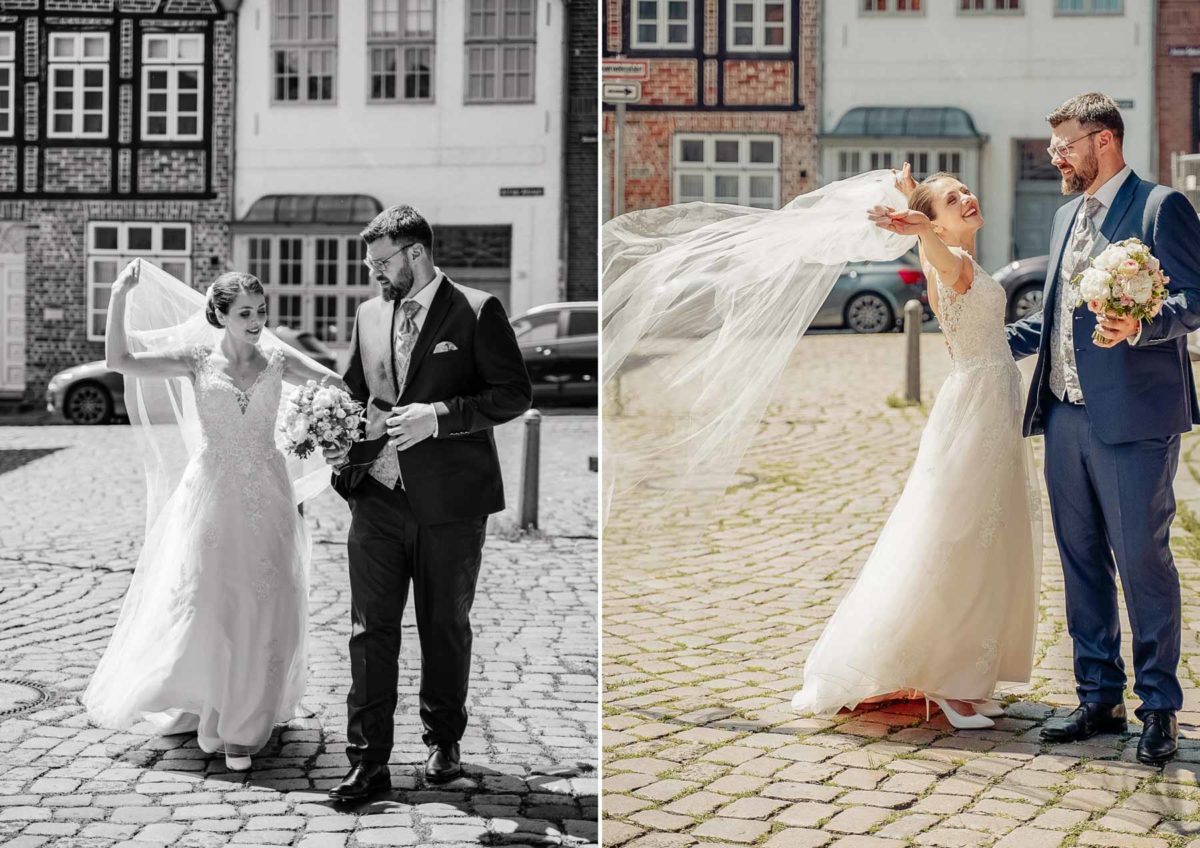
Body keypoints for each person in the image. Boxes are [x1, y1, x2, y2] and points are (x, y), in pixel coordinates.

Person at [788, 168, 1041, 728]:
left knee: (985, 537)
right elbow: (944, 263)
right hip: (976, 408)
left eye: (966, 190)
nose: (969, 198)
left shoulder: (949, 254)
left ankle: (966, 675)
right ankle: (947, 681)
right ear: (938, 220)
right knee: (959, 535)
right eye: (955, 199)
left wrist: (918, 204)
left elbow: (940, 252)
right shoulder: (949, 261)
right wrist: (924, 224)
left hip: (989, 404)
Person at [83, 262, 341, 772]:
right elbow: (120, 359)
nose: (256, 321)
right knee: (214, 599)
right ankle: (215, 708)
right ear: (220, 315)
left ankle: (245, 723)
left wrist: (314, 419)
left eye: (261, 311)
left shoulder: (275, 358)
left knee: (270, 598)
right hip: (212, 494)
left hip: (268, 490)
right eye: (245, 312)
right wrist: (118, 294)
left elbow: (333, 382)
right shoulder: (196, 358)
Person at [1006, 93, 1200, 766]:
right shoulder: (1064, 215)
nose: (1056, 155)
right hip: (1063, 416)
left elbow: (1193, 299)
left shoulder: (1159, 207)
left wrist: (1144, 326)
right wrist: (984, 341)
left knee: (1143, 563)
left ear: (1105, 141)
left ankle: (1161, 709)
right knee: (1080, 559)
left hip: (1135, 419)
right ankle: (1098, 696)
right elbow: (1058, 313)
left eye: (1065, 144)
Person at [320, 205, 531, 801]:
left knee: (444, 626)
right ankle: (367, 762)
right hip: (378, 500)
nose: (374, 275)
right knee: (370, 632)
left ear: (416, 253)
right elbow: (355, 394)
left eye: (382, 262)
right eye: (370, 264)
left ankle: (443, 741)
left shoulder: (477, 309)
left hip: (452, 506)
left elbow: (512, 393)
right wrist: (337, 442)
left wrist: (439, 417)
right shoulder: (368, 314)